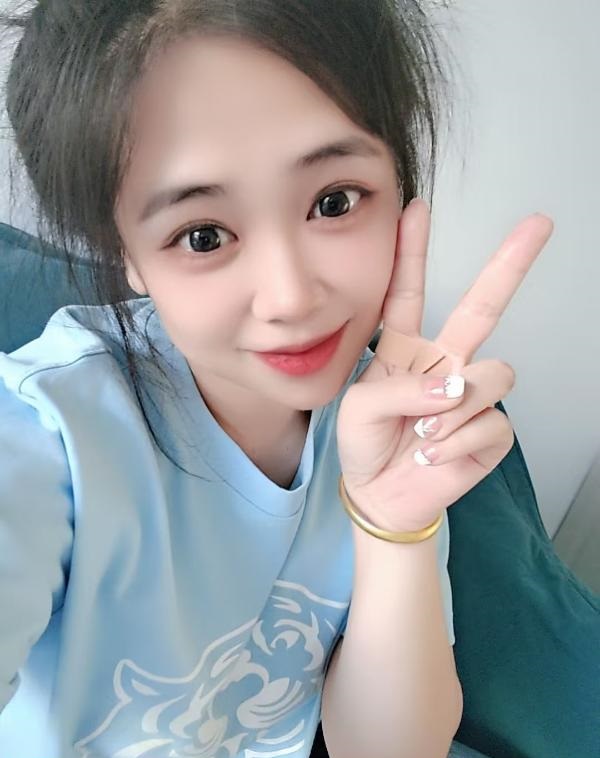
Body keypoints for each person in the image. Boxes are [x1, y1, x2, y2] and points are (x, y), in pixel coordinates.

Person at [0, 1, 553, 757]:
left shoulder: (387, 417)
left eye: (334, 202)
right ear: (124, 251)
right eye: (203, 236)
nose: (290, 297)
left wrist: (393, 524)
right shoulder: (45, 429)